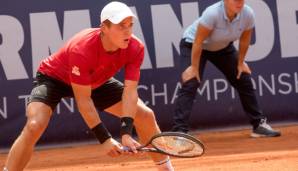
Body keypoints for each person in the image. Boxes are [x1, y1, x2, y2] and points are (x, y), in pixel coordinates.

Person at [3, 2, 174, 171]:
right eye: (121, 26)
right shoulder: (82, 49)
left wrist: (126, 132)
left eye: (130, 25)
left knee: (145, 115)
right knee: (35, 125)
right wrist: (105, 139)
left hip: (94, 80)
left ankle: (166, 169)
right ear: (104, 28)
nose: (128, 31)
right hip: (54, 78)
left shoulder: (135, 47)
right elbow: (83, 100)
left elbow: (130, 92)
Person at [171, 0, 281, 138]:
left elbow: (245, 39)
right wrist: (193, 67)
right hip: (194, 45)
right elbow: (198, 41)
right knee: (191, 81)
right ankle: (179, 131)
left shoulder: (248, 14)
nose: (239, 2)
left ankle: (258, 125)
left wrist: (240, 62)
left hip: (222, 47)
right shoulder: (212, 13)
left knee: (243, 78)